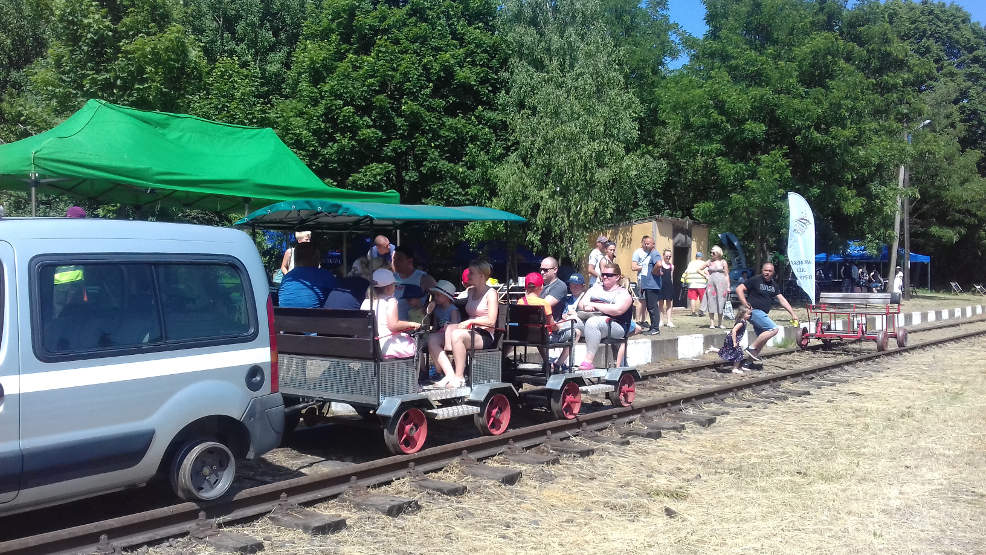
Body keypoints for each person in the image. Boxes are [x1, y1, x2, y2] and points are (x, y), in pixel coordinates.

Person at [433, 260, 499, 388]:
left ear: (481, 276)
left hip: (484, 334)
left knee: (457, 335)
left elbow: (491, 320)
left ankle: (459, 377)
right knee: (433, 338)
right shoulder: (470, 292)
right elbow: (454, 302)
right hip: (469, 331)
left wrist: (471, 321)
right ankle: (449, 374)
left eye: (471, 273)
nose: (468, 276)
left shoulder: (491, 293)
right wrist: (436, 301)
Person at [734, 262, 799, 362]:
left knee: (763, 339)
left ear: (773, 272)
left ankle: (748, 363)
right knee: (773, 329)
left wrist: (793, 314)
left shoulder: (773, 285)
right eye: (765, 270)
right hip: (754, 311)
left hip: (762, 314)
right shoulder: (755, 280)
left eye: (770, 271)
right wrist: (745, 303)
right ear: (762, 270)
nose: (767, 272)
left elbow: (782, 300)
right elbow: (739, 289)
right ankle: (751, 348)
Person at [578, 261, 633, 370]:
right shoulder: (595, 288)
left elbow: (617, 310)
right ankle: (559, 362)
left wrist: (594, 304)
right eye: (603, 274)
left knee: (593, 323)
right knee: (572, 322)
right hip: (591, 321)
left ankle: (588, 362)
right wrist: (585, 307)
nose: (604, 277)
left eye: (608, 275)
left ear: (617, 277)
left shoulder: (623, 293)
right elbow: (581, 303)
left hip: (617, 326)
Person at [361, 268, 420, 359]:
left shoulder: (366, 302)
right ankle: (419, 372)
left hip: (367, 345)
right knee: (416, 345)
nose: (395, 288)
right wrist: (411, 324)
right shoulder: (390, 301)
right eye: (394, 285)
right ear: (389, 287)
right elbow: (393, 325)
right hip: (385, 346)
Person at [277, 243, 336, 308]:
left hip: (284, 317)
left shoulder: (287, 277)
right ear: (315, 258)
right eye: (318, 257)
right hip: (313, 317)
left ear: (296, 259)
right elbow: (341, 297)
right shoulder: (324, 275)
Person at [550, 274, 588, 369]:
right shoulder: (567, 299)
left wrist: (575, 314)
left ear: (583, 286)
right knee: (574, 332)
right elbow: (562, 313)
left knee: (574, 331)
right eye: (571, 285)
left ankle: (559, 363)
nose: (573, 287)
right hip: (567, 326)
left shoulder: (586, 298)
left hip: (582, 325)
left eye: (576, 285)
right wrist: (564, 315)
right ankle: (561, 363)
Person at [425, 280, 461, 377]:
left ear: (447, 297)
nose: (435, 298)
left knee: (432, 340)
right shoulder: (437, 310)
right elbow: (436, 326)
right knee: (430, 340)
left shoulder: (453, 310)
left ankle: (441, 371)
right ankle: (439, 369)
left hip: (450, 336)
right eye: (435, 295)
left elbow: (455, 325)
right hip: (440, 334)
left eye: (438, 295)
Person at [392, 246, 436, 321]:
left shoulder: (424, 278)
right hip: (393, 326)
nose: (395, 262)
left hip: (414, 327)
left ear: (410, 261)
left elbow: (441, 297)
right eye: (393, 259)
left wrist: (426, 307)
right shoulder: (390, 278)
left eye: (399, 259)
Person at [632, 236, 663, 335]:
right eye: (645, 243)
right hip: (648, 284)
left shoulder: (655, 253)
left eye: (649, 243)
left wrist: (653, 273)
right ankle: (653, 327)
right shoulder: (650, 254)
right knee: (650, 307)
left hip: (652, 285)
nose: (646, 244)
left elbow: (659, 264)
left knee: (653, 307)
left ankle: (655, 328)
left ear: (653, 244)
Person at [702, 246, 731, 329]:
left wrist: (728, 286)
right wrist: (706, 275)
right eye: (711, 252)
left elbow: (726, 275)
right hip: (711, 284)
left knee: (721, 302)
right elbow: (699, 269)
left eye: (713, 253)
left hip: (722, 284)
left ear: (718, 253)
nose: (711, 254)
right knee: (711, 302)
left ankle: (720, 323)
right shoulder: (709, 261)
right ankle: (711, 323)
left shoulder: (723, 262)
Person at [718, 306, 752, 374]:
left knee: (729, 351)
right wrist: (734, 342)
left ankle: (712, 349)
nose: (750, 315)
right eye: (748, 314)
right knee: (739, 353)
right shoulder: (741, 322)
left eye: (750, 314)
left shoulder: (743, 321)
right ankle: (735, 369)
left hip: (731, 338)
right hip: (732, 339)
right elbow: (734, 331)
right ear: (743, 314)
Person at [538, 257, 567, 322]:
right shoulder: (539, 285)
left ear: (555, 270)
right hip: (535, 323)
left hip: (551, 327)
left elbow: (544, 305)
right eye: (541, 269)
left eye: (545, 270)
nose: (542, 272)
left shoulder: (560, 286)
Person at [682, 251, 709, 317]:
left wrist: (684, 281)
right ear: (701, 257)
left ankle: (693, 312)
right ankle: (701, 312)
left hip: (692, 284)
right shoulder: (703, 263)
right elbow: (706, 272)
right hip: (701, 284)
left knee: (693, 298)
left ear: (696, 257)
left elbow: (686, 272)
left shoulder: (691, 263)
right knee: (702, 298)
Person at [656, 249, 676, 328]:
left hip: (669, 286)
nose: (668, 257)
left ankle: (669, 321)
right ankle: (661, 320)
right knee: (660, 304)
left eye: (669, 256)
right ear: (663, 255)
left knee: (669, 304)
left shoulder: (672, 266)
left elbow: (671, 277)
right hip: (660, 286)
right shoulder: (660, 265)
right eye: (666, 256)